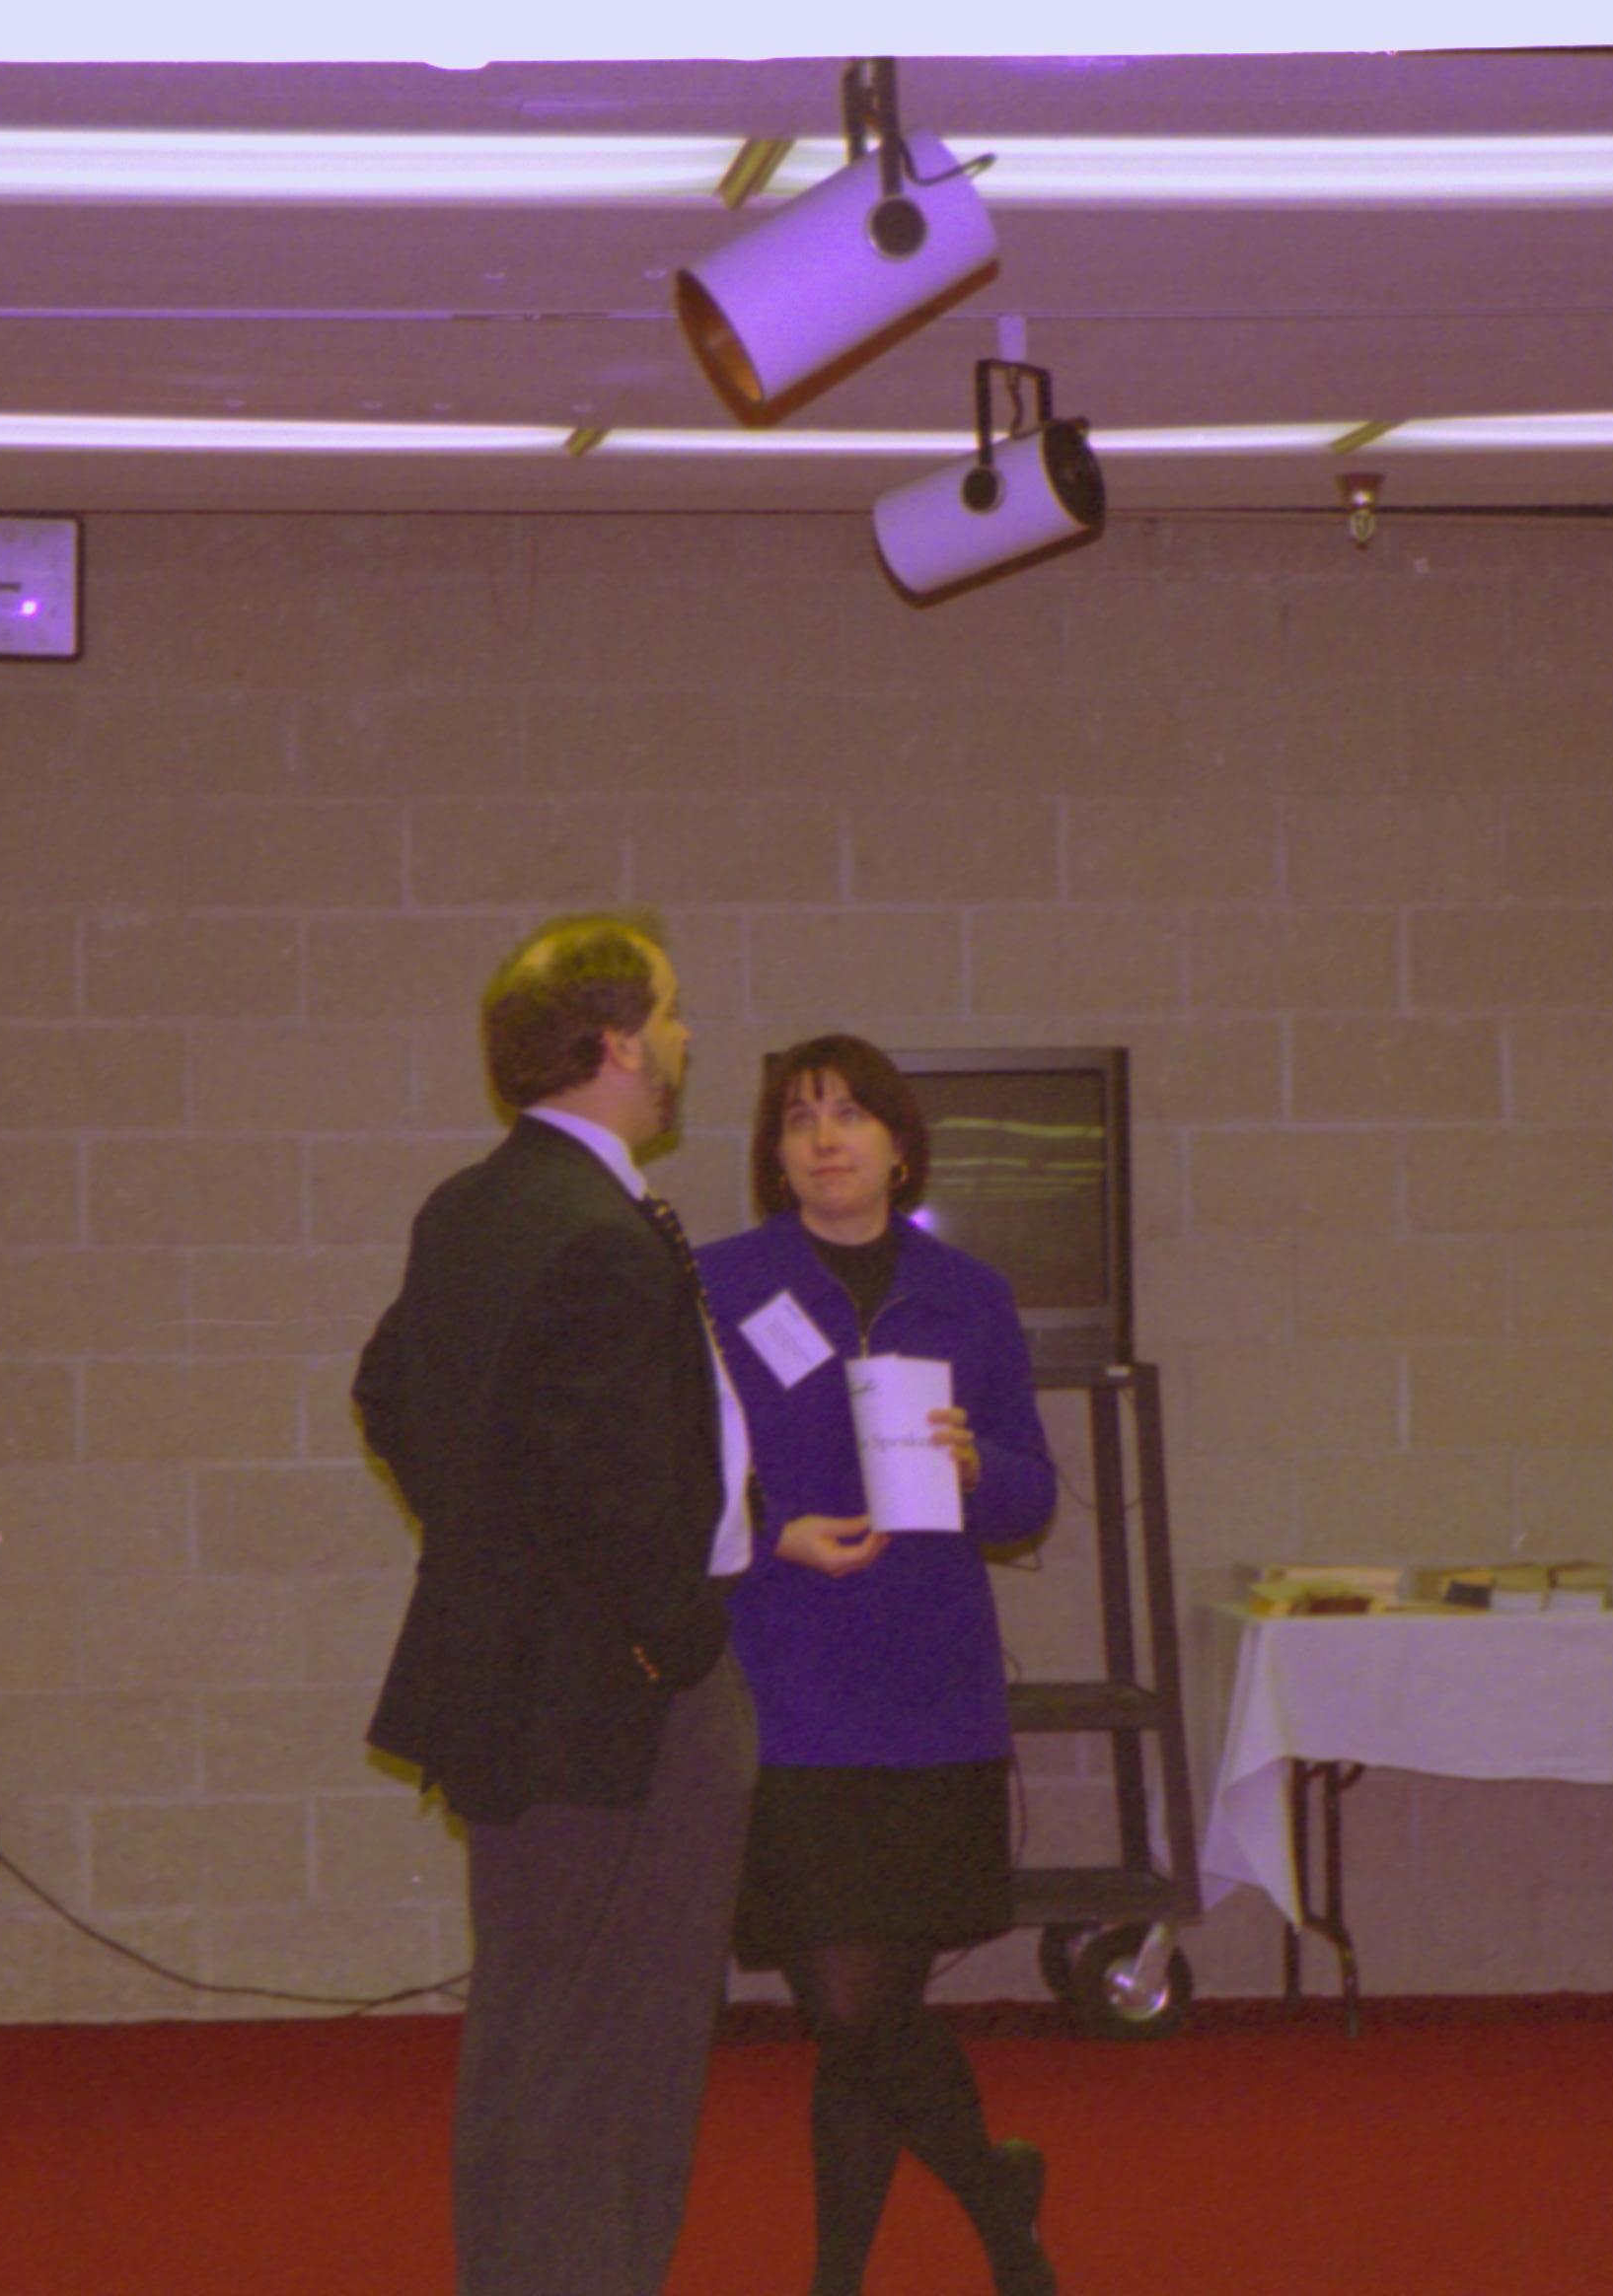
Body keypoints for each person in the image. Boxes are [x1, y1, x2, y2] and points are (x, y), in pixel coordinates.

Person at [356, 912, 758, 2296]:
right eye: (676, 1012)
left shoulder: (473, 1206)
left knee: (538, 2022)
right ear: (617, 1041)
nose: (692, 1039)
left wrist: (489, 1551)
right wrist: (670, 1637)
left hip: (529, 1681)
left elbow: (390, 1394)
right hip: (621, 1695)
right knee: (625, 2038)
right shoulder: (595, 1231)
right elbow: (611, 1486)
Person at [696, 1035, 1063, 2296]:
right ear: (774, 1155)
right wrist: (768, 1529)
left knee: (864, 2020)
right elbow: (682, 1479)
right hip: (790, 1688)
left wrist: (975, 1468)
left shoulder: (971, 1293)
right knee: (850, 2009)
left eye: (849, 1114)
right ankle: (997, 2198)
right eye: (798, 1120)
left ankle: (839, 2280)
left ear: (899, 1143)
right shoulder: (721, 1285)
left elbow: (1030, 1496)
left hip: (927, 1689)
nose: (823, 1138)